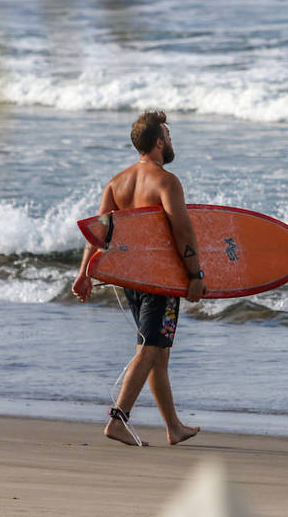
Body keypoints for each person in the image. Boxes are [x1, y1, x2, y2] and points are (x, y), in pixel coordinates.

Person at [71, 110, 205, 446]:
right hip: (160, 279)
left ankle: (173, 427)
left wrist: (84, 273)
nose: (171, 140)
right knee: (149, 348)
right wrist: (195, 274)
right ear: (159, 142)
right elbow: (183, 231)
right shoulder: (166, 182)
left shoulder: (116, 183)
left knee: (158, 352)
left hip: (131, 278)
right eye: (168, 134)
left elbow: (98, 235)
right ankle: (119, 418)